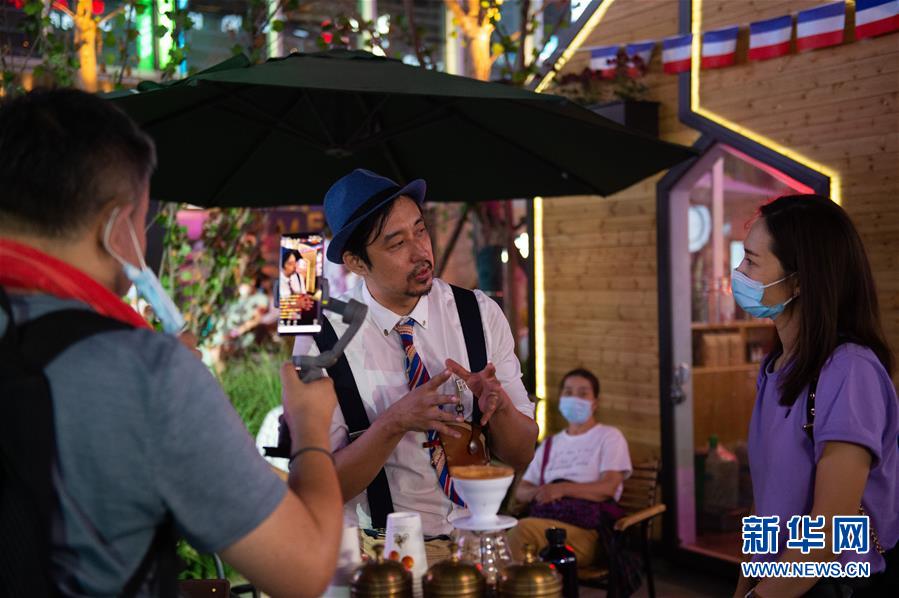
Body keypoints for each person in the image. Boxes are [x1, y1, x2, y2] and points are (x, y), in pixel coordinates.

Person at [0, 89, 343, 596]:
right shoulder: (145, 374)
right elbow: (304, 568)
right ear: (117, 226)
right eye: (143, 219)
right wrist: (309, 424)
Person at [294, 169, 538, 562]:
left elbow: (522, 453)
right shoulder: (321, 341)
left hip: (477, 544)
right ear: (356, 262)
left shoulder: (478, 314)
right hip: (382, 558)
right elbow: (318, 486)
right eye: (396, 243)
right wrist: (393, 422)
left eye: (420, 230)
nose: (420, 251)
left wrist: (501, 408)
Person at [731, 195, 897, 598]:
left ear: (800, 280)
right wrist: (745, 585)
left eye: (751, 261)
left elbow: (828, 535)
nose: (738, 273)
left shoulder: (849, 371)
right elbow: (765, 506)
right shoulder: (775, 367)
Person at [508, 368, 632, 565]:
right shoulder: (550, 444)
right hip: (544, 523)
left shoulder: (609, 437)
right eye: (568, 392)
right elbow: (521, 491)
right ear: (560, 399)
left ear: (595, 402)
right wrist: (543, 492)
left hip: (588, 534)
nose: (574, 398)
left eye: (583, 393)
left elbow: (609, 487)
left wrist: (562, 489)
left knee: (522, 531)